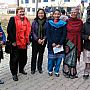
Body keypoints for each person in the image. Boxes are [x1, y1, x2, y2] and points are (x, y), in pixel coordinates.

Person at [7, 7, 31, 81]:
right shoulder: (12, 19)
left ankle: (21, 69)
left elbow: (28, 31)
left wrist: (28, 40)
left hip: (24, 43)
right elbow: (9, 30)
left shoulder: (26, 20)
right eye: (20, 12)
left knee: (23, 58)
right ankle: (14, 73)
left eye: (23, 11)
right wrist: (13, 41)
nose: (22, 13)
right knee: (15, 59)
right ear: (17, 13)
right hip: (15, 43)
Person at [63, 8, 83, 79]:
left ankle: (73, 72)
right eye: (72, 12)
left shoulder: (80, 22)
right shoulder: (67, 21)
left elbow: (82, 32)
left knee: (74, 58)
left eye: (75, 12)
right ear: (70, 13)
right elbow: (63, 31)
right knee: (67, 57)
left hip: (77, 41)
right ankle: (66, 71)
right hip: (68, 42)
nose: (73, 13)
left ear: (77, 13)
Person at [46, 9, 66, 77]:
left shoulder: (63, 24)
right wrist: (52, 43)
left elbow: (64, 34)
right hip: (51, 45)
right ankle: (50, 70)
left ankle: (56, 71)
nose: (56, 15)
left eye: (58, 14)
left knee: (59, 59)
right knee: (51, 59)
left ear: (60, 15)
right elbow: (48, 34)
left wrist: (60, 43)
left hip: (59, 45)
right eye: (55, 14)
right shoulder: (49, 23)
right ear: (53, 15)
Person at [31, 8, 47, 74]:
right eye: (39, 13)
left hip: (43, 41)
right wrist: (37, 39)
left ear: (44, 14)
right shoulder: (34, 22)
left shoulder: (47, 22)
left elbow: (47, 32)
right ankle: (33, 69)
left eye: (42, 13)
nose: (41, 14)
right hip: (35, 41)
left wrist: (44, 39)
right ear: (37, 14)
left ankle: (39, 67)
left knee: (41, 55)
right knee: (34, 55)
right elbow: (32, 32)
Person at [82, 15, 90, 79]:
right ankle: (86, 73)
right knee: (87, 61)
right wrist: (87, 37)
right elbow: (81, 34)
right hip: (87, 46)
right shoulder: (85, 24)